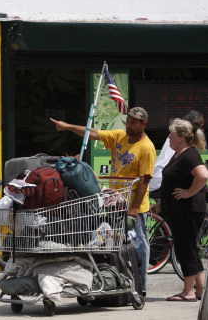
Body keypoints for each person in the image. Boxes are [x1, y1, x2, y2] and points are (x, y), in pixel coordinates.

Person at [51, 106, 156, 295]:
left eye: (134, 122)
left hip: (134, 205)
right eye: (128, 121)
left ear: (143, 124)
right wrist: (67, 126)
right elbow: (92, 133)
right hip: (113, 202)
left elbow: (144, 181)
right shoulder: (119, 136)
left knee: (139, 244)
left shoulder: (147, 148)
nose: (129, 125)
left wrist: (134, 208)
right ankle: (114, 278)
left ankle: (141, 285)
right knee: (110, 244)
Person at [150, 119, 208, 302]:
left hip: (187, 210)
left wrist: (188, 192)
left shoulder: (189, 154)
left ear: (181, 137)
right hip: (180, 210)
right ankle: (199, 289)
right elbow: (173, 181)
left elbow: (203, 175)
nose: (169, 137)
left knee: (185, 249)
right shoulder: (179, 155)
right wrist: (162, 203)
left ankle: (188, 291)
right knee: (189, 248)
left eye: (172, 134)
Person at [150, 110, 208, 197]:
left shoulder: (179, 141)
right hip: (162, 183)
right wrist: (188, 192)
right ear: (193, 125)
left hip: (158, 182)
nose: (169, 138)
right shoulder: (184, 146)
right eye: (201, 126)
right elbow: (202, 174)